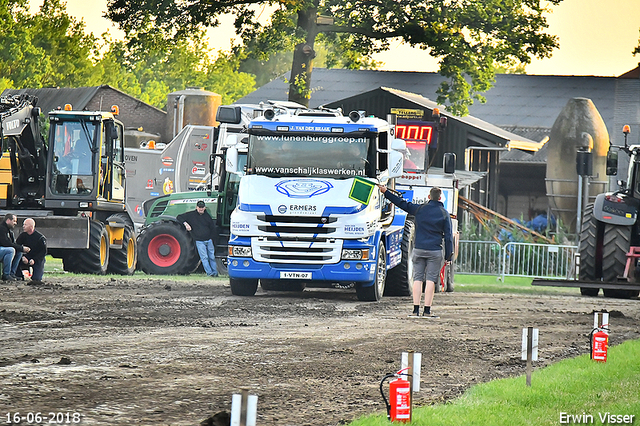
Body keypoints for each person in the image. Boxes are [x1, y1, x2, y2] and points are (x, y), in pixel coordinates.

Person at [379, 185, 453, 317]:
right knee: (430, 280)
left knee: (417, 279)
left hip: (419, 249)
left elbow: (401, 203)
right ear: (440, 198)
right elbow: (448, 237)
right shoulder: (444, 214)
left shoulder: (420, 209)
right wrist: (448, 256)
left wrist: (386, 192)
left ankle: (415, 310)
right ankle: (427, 311)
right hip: (435, 251)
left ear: (429, 197)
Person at [177, 200, 219, 277]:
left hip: (209, 240)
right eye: (199, 207)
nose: (201, 209)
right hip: (199, 241)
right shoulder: (191, 215)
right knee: (204, 257)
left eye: (202, 207)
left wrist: (212, 239)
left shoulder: (207, 216)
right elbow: (179, 217)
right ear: (196, 207)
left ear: (205, 208)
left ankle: (215, 273)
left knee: (212, 257)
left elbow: (212, 228)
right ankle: (209, 273)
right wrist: (186, 224)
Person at [0, 214, 30, 281]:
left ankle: (12, 273)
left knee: (18, 251)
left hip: (3, 250)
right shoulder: (1, 229)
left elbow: (13, 243)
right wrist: (21, 248)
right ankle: (6, 274)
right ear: (8, 220)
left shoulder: (10, 232)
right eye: (14, 221)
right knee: (11, 250)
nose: (15, 223)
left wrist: (21, 249)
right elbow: (5, 243)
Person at [16, 218, 47, 284]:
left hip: (37, 258)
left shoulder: (40, 238)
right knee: (16, 260)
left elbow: (43, 252)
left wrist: (34, 260)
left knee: (36, 279)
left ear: (31, 226)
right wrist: (23, 256)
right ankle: (19, 276)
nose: (23, 226)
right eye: (23, 225)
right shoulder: (22, 235)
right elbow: (17, 246)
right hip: (26, 256)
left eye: (25, 225)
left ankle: (36, 276)